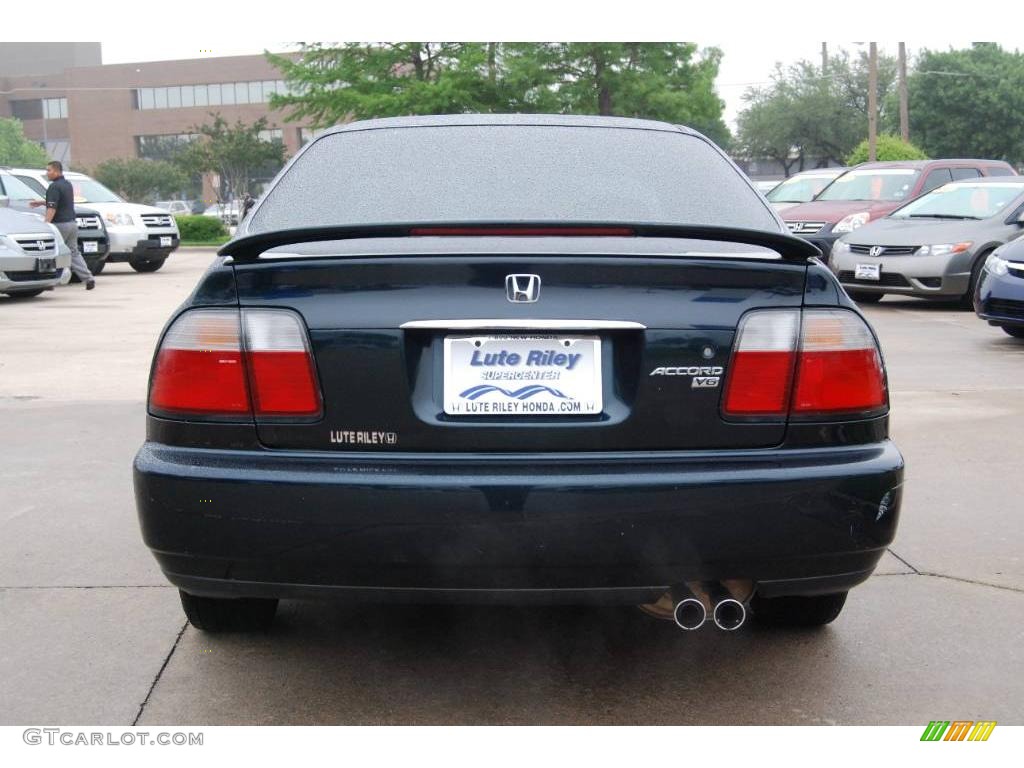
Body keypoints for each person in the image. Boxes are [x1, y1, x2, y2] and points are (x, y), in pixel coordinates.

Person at [29, 160, 95, 290]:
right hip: (72, 224)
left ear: (57, 171)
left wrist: (46, 224)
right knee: (74, 252)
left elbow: (52, 208)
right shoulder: (67, 184)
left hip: (60, 225)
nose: (47, 173)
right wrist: (42, 202)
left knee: (50, 253)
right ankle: (88, 278)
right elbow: (60, 202)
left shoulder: (53, 187)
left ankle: (48, 281)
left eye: (49, 170)